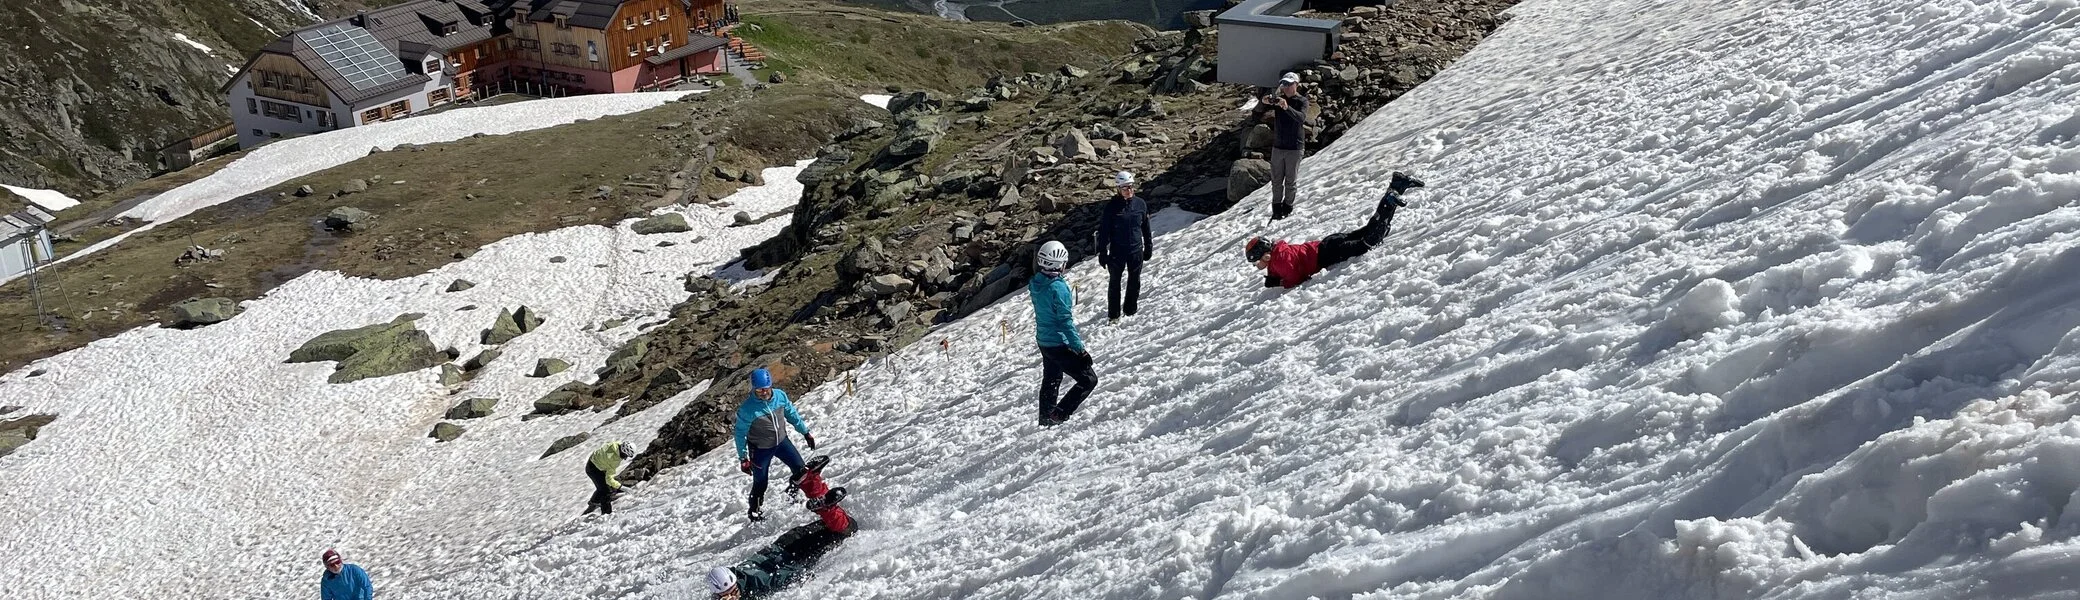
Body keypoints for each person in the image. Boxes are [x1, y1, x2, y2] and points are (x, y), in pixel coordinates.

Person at [1247, 172, 1424, 288]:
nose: (1258, 266)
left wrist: (1279, 282)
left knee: (1369, 241)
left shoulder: (1279, 260)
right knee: (1370, 229)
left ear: (1265, 255)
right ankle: (1397, 185)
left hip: (1328, 254)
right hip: (1327, 243)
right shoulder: (1280, 251)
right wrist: (1272, 275)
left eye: (1257, 261)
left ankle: (1389, 200)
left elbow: (1296, 276)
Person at [1028, 241, 1096, 426]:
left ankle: (1045, 419)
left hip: (1044, 341)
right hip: (1059, 343)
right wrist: (1080, 350)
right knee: (1089, 379)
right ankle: (1060, 414)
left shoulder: (1036, 283)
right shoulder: (1058, 288)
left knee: (1052, 379)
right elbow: (1065, 322)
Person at [734, 368, 816, 522]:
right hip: (760, 449)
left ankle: (792, 494)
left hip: (781, 442)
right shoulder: (747, 409)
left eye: (766, 389)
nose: (763, 393)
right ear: (753, 389)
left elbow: (791, 414)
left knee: (800, 469)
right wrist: (743, 458)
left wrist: (805, 432)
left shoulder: (779, 396)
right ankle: (755, 513)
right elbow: (739, 434)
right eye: (759, 390)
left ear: (771, 385)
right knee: (761, 482)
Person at [703, 516, 854, 599]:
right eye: (727, 595)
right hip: (782, 548)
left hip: (793, 550)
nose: (733, 596)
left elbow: (782, 577)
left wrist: (801, 577)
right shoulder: (723, 592)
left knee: (847, 528)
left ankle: (816, 489)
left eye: (734, 591)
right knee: (838, 526)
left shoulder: (754, 581)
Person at [1095, 170, 1154, 323]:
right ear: (1118, 189)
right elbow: (1104, 231)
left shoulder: (1140, 204)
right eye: (1125, 188)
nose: (1129, 191)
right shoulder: (1112, 207)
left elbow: (1146, 227)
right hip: (1117, 252)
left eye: (1131, 187)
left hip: (1136, 250)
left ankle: (1130, 310)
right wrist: (1102, 252)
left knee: (1134, 281)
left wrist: (1148, 246)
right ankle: (1114, 315)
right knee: (1115, 283)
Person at [1259, 72, 1311, 220]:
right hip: (1278, 146)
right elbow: (1262, 107)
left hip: (1294, 147)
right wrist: (1266, 101)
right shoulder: (1279, 101)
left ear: (1296, 84)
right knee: (1276, 180)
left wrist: (1286, 107)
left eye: (1289, 84)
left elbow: (1301, 118)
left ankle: (1288, 207)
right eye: (1284, 84)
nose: (1286, 87)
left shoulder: (1302, 101)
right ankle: (1276, 208)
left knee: (1290, 180)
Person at [583, 440, 637, 515]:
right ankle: (606, 514)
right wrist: (621, 487)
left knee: (602, 486)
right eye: (626, 455)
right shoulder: (613, 459)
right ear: (624, 452)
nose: (625, 458)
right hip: (593, 469)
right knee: (606, 491)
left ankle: (594, 502)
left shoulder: (615, 445)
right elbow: (609, 479)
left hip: (594, 463)